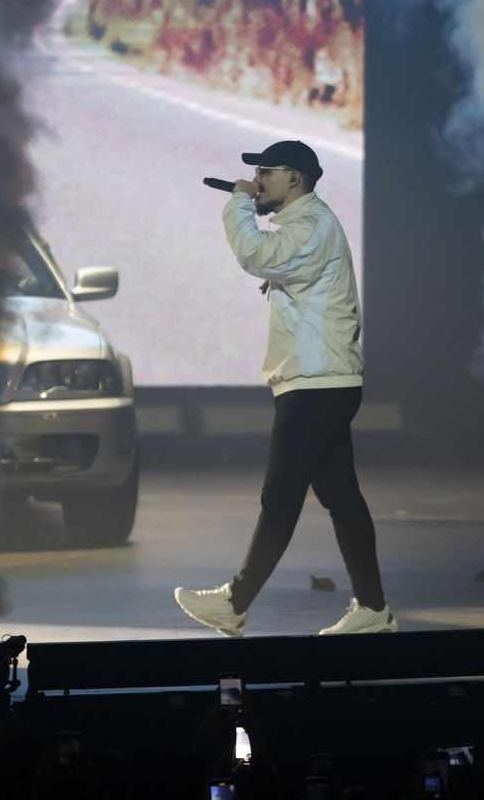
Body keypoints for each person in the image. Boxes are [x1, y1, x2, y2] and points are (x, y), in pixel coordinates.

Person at [174, 139, 395, 637]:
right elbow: (281, 266)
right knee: (342, 498)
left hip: (317, 386)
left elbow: (255, 253)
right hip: (320, 382)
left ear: (294, 178)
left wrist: (236, 203)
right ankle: (374, 611)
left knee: (281, 496)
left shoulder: (313, 224)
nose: (257, 181)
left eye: (266, 173)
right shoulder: (305, 227)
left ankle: (236, 601)